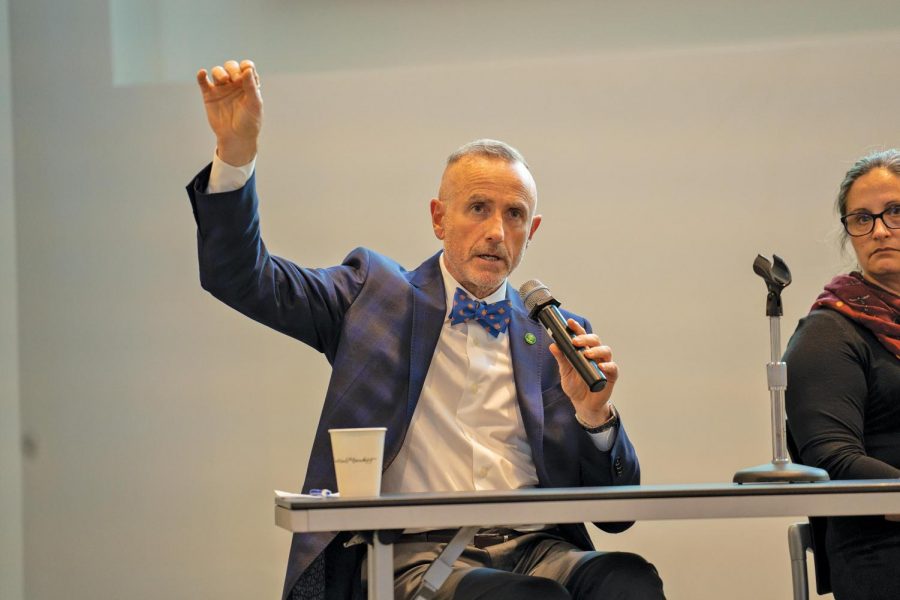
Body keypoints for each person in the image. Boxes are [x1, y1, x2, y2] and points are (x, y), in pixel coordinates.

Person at [187, 59, 665, 600]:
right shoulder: (373, 294)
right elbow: (243, 277)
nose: (495, 232)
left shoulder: (557, 335)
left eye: (513, 215)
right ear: (439, 218)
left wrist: (595, 416)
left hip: (539, 549)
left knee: (630, 582)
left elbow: (618, 514)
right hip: (415, 554)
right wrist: (236, 155)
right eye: (478, 209)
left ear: (531, 232)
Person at [784, 149, 900, 600]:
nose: (880, 230)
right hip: (882, 549)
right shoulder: (829, 333)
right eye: (862, 218)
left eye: (895, 212)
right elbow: (830, 460)